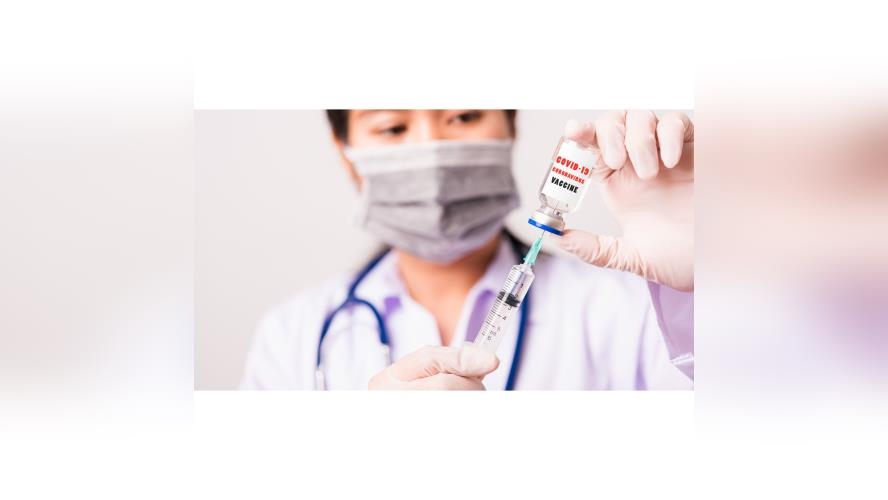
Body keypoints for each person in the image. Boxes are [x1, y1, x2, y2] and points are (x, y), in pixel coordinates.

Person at [240, 110, 694, 390]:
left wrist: (708, 276)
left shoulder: (634, 310)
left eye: (463, 117)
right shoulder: (294, 334)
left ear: (511, 128)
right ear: (346, 153)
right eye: (393, 126)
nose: (432, 147)